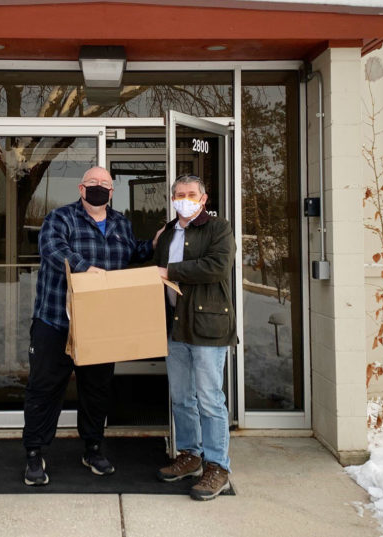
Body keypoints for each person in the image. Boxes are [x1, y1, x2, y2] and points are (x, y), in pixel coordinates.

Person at [23, 166, 163, 486]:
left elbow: (131, 254)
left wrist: (154, 245)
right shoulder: (61, 218)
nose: (99, 188)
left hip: (100, 325)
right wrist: (86, 269)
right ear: (81, 188)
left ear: (112, 193)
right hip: (56, 321)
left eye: (105, 184)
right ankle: (34, 453)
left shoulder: (121, 224)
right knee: (45, 390)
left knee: (96, 391)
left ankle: (93, 448)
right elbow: (53, 249)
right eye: (93, 183)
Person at [153, 174, 236, 501]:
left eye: (190, 194)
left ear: (203, 199)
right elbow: (154, 270)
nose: (183, 199)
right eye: (178, 194)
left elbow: (217, 267)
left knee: (210, 399)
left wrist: (170, 271)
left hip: (206, 327)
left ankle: (218, 467)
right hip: (174, 327)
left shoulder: (219, 228)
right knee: (182, 397)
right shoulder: (168, 233)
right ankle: (190, 455)